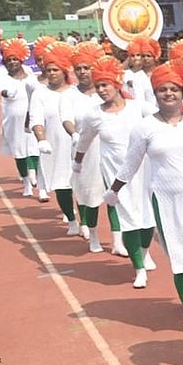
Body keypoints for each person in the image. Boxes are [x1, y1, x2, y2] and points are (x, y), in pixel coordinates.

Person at [105, 61, 183, 340]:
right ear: (155, 94)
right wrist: (115, 189)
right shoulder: (144, 128)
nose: (168, 94)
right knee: (181, 257)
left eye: (173, 89)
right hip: (166, 202)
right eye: (162, 90)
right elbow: (130, 163)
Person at [75, 56, 159, 289]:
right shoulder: (94, 114)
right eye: (98, 85)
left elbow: (164, 116)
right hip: (115, 173)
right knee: (128, 219)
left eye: (105, 85)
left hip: (144, 170)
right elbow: (84, 140)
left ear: (117, 84)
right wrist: (77, 163)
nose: (101, 90)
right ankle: (138, 268)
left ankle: (144, 251)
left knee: (147, 216)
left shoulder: (138, 107)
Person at [64, 42, 117, 254]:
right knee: (91, 196)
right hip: (84, 152)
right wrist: (75, 135)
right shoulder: (69, 95)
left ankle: (117, 239)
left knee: (115, 194)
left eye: (87, 68)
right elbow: (66, 119)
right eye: (79, 69)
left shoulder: (106, 91)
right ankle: (93, 235)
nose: (83, 72)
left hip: (110, 152)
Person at [30, 42, 80, 234]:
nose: (51, 73)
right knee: (62, 183)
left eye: (55, 70)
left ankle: (86, 222)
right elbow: (36, 119)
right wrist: (41, 139)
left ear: (65, 70)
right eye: (49, 70)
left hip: (77, 144)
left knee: (82, 184)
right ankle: (72, 220)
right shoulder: (40, 93)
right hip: (55, 146)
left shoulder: (75, 92)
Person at [0, 38, 40, 199]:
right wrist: (8, 92)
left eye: (15, 59)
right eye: (9, 59)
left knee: (35, 146)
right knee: (19, 151)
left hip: (32, 115)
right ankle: (26, 182)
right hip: (12, 118)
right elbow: (1, 89)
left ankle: (35, 174)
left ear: (21, 59)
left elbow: (36, 89)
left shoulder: (29, 71)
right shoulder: (0, 72)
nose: (12, 62)